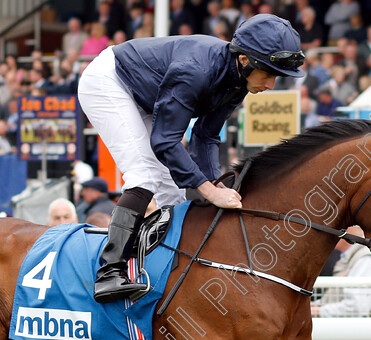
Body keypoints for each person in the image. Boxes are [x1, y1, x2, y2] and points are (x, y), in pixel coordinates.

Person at [78, 14, 304, 302]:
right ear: (245, 60)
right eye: (269, 73)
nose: (271, 84)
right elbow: (165, 140)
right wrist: (208, 191)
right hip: (109, 82)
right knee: (144, 176)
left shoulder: (238, 80)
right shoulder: (196, 70)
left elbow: (206, 136)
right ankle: (109, 272)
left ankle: (169, 267)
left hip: (146, 95)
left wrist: (213, 183)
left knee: (172, 191)